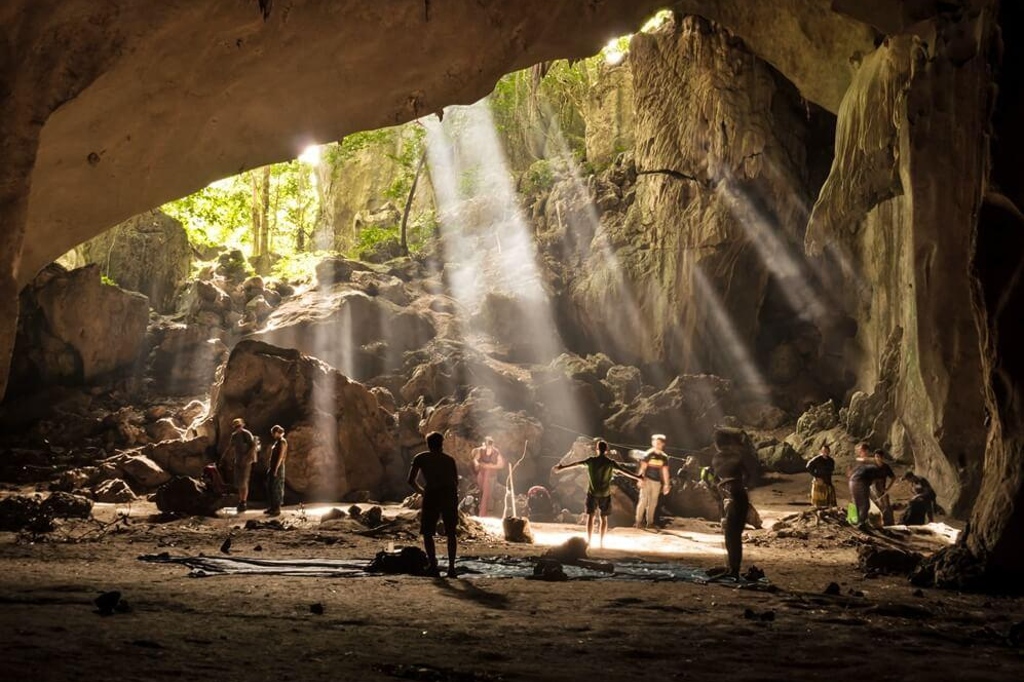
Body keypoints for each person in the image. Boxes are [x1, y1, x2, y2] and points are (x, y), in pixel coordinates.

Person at [553, 440, 641, 548]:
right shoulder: (610, 463)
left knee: (591, 517)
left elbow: (576, 464)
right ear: (606, 450)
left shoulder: (591, 461)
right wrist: (638, 477)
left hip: (593, 493)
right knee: (604, 518)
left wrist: (562, 467)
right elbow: (624, 471)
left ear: (597, 450)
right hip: (604, 493)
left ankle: (589, 540)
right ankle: (601, 542)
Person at [408, 431, 459, 578]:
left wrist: (422, 492)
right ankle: (451, 568)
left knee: (428, 532)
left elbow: (410, 480)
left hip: (432, 493)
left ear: (428, 444)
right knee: (451, 532)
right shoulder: (449, 460)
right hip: (449, 494)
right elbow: (455, 481)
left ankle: (433, 566)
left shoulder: (421, 457)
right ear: (441, 443)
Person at [711, 428, 754, 578]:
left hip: (730, 497)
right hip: (741, 495)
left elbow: (715, 479)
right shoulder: (737, 456)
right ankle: (733, 569)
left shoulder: (716, 458)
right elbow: (747, 475)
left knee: (730, 535)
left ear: (717, 444)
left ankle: (732, 570)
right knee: (736, 535)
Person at [635, 434, 671, 529]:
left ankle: (650, 523)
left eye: (659, 443)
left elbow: (665, 471)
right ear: (652, 443)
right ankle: (638, 522)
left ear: (662, 444)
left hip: (657, 482)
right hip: (647, 480)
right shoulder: (648, 454)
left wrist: (666, 484)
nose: (657, 444)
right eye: (655, 442)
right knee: (643, 500)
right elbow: (643, 468)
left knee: (653, 503)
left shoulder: (664, 457)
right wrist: (640, 479)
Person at [221, 417, 257, 512]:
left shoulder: (247, 434)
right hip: (238, 461)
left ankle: (243, 502)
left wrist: (247, 458)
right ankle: (241, 500)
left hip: (246, 462)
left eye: (239, 426)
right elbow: (230, 446)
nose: (238, 428)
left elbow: (253, 446)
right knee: (239, 482)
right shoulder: (234, 436)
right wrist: (224, 456)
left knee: (244, 481)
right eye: (236, 426)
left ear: (242, 425)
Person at [847, 442, 887, 527]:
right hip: (859, 483)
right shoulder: (871, 463)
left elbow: (877, 480)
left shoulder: (872, 466)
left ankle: (860, 521)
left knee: (859, 503)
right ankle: (861, 523)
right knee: (865, 504)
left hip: (855, 482)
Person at [471, 437, 505, 517]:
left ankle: (488, 513)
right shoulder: (481, 451)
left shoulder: (496, 452)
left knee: (490, 494)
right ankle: (480, 512)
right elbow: (475, 459)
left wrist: (490, 466)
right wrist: (477, 464)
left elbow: (501, 465)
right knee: (481, 493)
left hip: (491, 476)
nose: (489, 446)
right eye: (487, 444)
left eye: (490, 444)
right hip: (482, 475)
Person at [264, 425, 288, 517]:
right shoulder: (277, 442)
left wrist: (276, 469)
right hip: (273, 466)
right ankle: (272, 507)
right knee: (271, 486)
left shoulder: (282, 442)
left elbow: (280, 457)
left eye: (273, 433)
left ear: (277, 432)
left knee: (276, 487)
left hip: (278, 467)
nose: (273, 435)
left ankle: (276, 508)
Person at [806, 442, 837, 508]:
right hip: (818, 482)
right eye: (824, 451)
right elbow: (808, 466)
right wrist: (816, 476)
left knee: (829, 501)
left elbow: (831, 470)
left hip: (827, 482)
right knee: (818, 503)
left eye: (827, 451)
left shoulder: (831, 461)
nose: (825, 452)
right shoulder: (817, 459)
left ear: (829, 452)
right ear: (821, 451)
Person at [871, 448, 897, 526]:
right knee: (874, 506)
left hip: (882, 489)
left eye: (879, 456)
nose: (877, 458)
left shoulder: (886, 467)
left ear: (882, 457)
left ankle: (888, 524)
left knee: (886, 507)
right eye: (876, 456)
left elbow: (893, 477)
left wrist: (888, 488)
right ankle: (875, 524)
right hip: (872, 488)